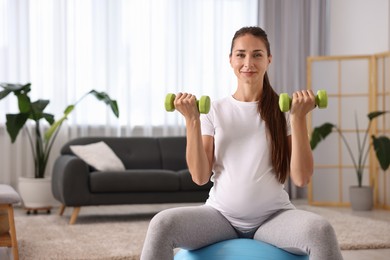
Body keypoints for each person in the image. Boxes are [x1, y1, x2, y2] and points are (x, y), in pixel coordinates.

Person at [140, 26, 343, 260]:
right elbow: (199, 177)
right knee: (161, 225)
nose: (248, 62)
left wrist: (298, 118)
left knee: (321, 231)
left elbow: (301, 177)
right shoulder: (213, 111)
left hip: (274, 218)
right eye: (241, 54)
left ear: (269, 60)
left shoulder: (285, 111)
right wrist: (192, 119)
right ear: (230, 60)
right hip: (220, 217)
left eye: (257, 54)